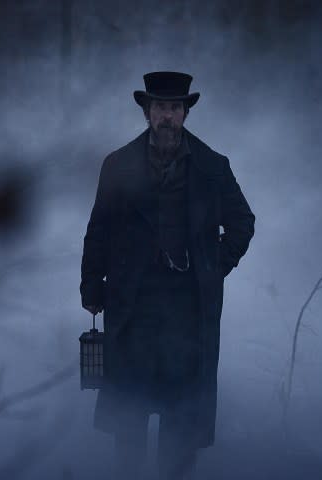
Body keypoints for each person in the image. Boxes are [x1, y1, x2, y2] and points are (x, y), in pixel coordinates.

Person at [80, 71, 255, 479]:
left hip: (188, 311)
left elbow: (242, 223)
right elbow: (98, 228)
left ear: (185, 113)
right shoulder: (118, 165)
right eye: (160, 107)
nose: (167, 116)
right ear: (146, 111)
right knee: (130, 416)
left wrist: (213, 268)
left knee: (181, 420)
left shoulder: (212, 166)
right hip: (132, 307)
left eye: (175, 108)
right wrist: (92, 285)